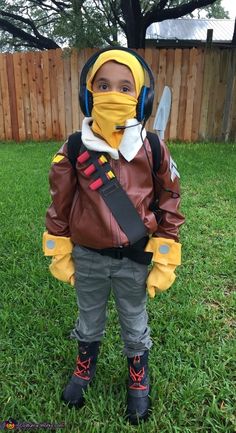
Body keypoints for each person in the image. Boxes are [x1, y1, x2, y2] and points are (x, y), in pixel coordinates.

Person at [43, 47, 185, 425]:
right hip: (88, 255)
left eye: (125, 88)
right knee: (89, 318)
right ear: (88, 95)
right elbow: (60, 204)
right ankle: (84, 367)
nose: (113, 94)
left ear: (141, 98)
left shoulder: (152, 147)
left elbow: (170, 200)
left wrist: (166, 254)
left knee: (134, 320)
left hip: (134, 255)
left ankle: (138, 376)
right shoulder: (75, 148)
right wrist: (59, 249)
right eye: (103, 85)